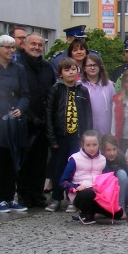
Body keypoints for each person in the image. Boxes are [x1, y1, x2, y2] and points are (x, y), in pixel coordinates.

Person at [0, 35, 30, 213]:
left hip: (14, 119)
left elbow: (25, 94)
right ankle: (0, 197)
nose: (11, 51)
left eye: (13, 48)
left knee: (13, 158)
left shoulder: (19, 69)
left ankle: (11, 197)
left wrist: (21, 108)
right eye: (7, 48)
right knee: (0, 158)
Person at [44, 57, 91, 212]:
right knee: (58, 168)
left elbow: (87, 114)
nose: (71, 72)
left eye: (73, 69)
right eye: (67, 70)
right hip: (60, 136)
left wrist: (87, 137)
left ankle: (72, 198)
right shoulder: (55, 90)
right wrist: (51, 138)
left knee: (75, 169)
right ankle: (56, 198)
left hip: (77, 137)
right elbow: (49, 115)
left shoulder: (82, 90)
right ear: (60, 73)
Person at [16, 33, 56, 209]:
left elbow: (52, 93)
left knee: (41, 161)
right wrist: (31, 116)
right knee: (25, 160)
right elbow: (17, 94)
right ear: (25, 44)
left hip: (44, 121)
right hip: (25, 120)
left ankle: (37, 193)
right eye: (33, 44)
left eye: (40, 45)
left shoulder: (47, 68)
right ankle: (24, 194)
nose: (36, 47)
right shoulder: (18, 67)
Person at [59, 130, 120, 225]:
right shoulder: (75, 159)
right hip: (80, 194)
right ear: (82, 145)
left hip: (98, 194)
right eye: (88, 145)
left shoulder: (103, 159)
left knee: (118, 214)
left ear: (99, 145)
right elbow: (63, 182)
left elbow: (107, 180)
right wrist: (75, 187)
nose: (92, 148)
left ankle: (92, 211)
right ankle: (84, 213)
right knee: (88, 193)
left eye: (94, 145)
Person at [80, 52, 114, 139]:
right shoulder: (79, 86)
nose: (92, 68)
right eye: (89, 65)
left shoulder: (109, 85)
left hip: (106, 132)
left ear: (100, 67)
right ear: (84, 68)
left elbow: (114, 107)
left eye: (95, 65)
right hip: (87, 132)